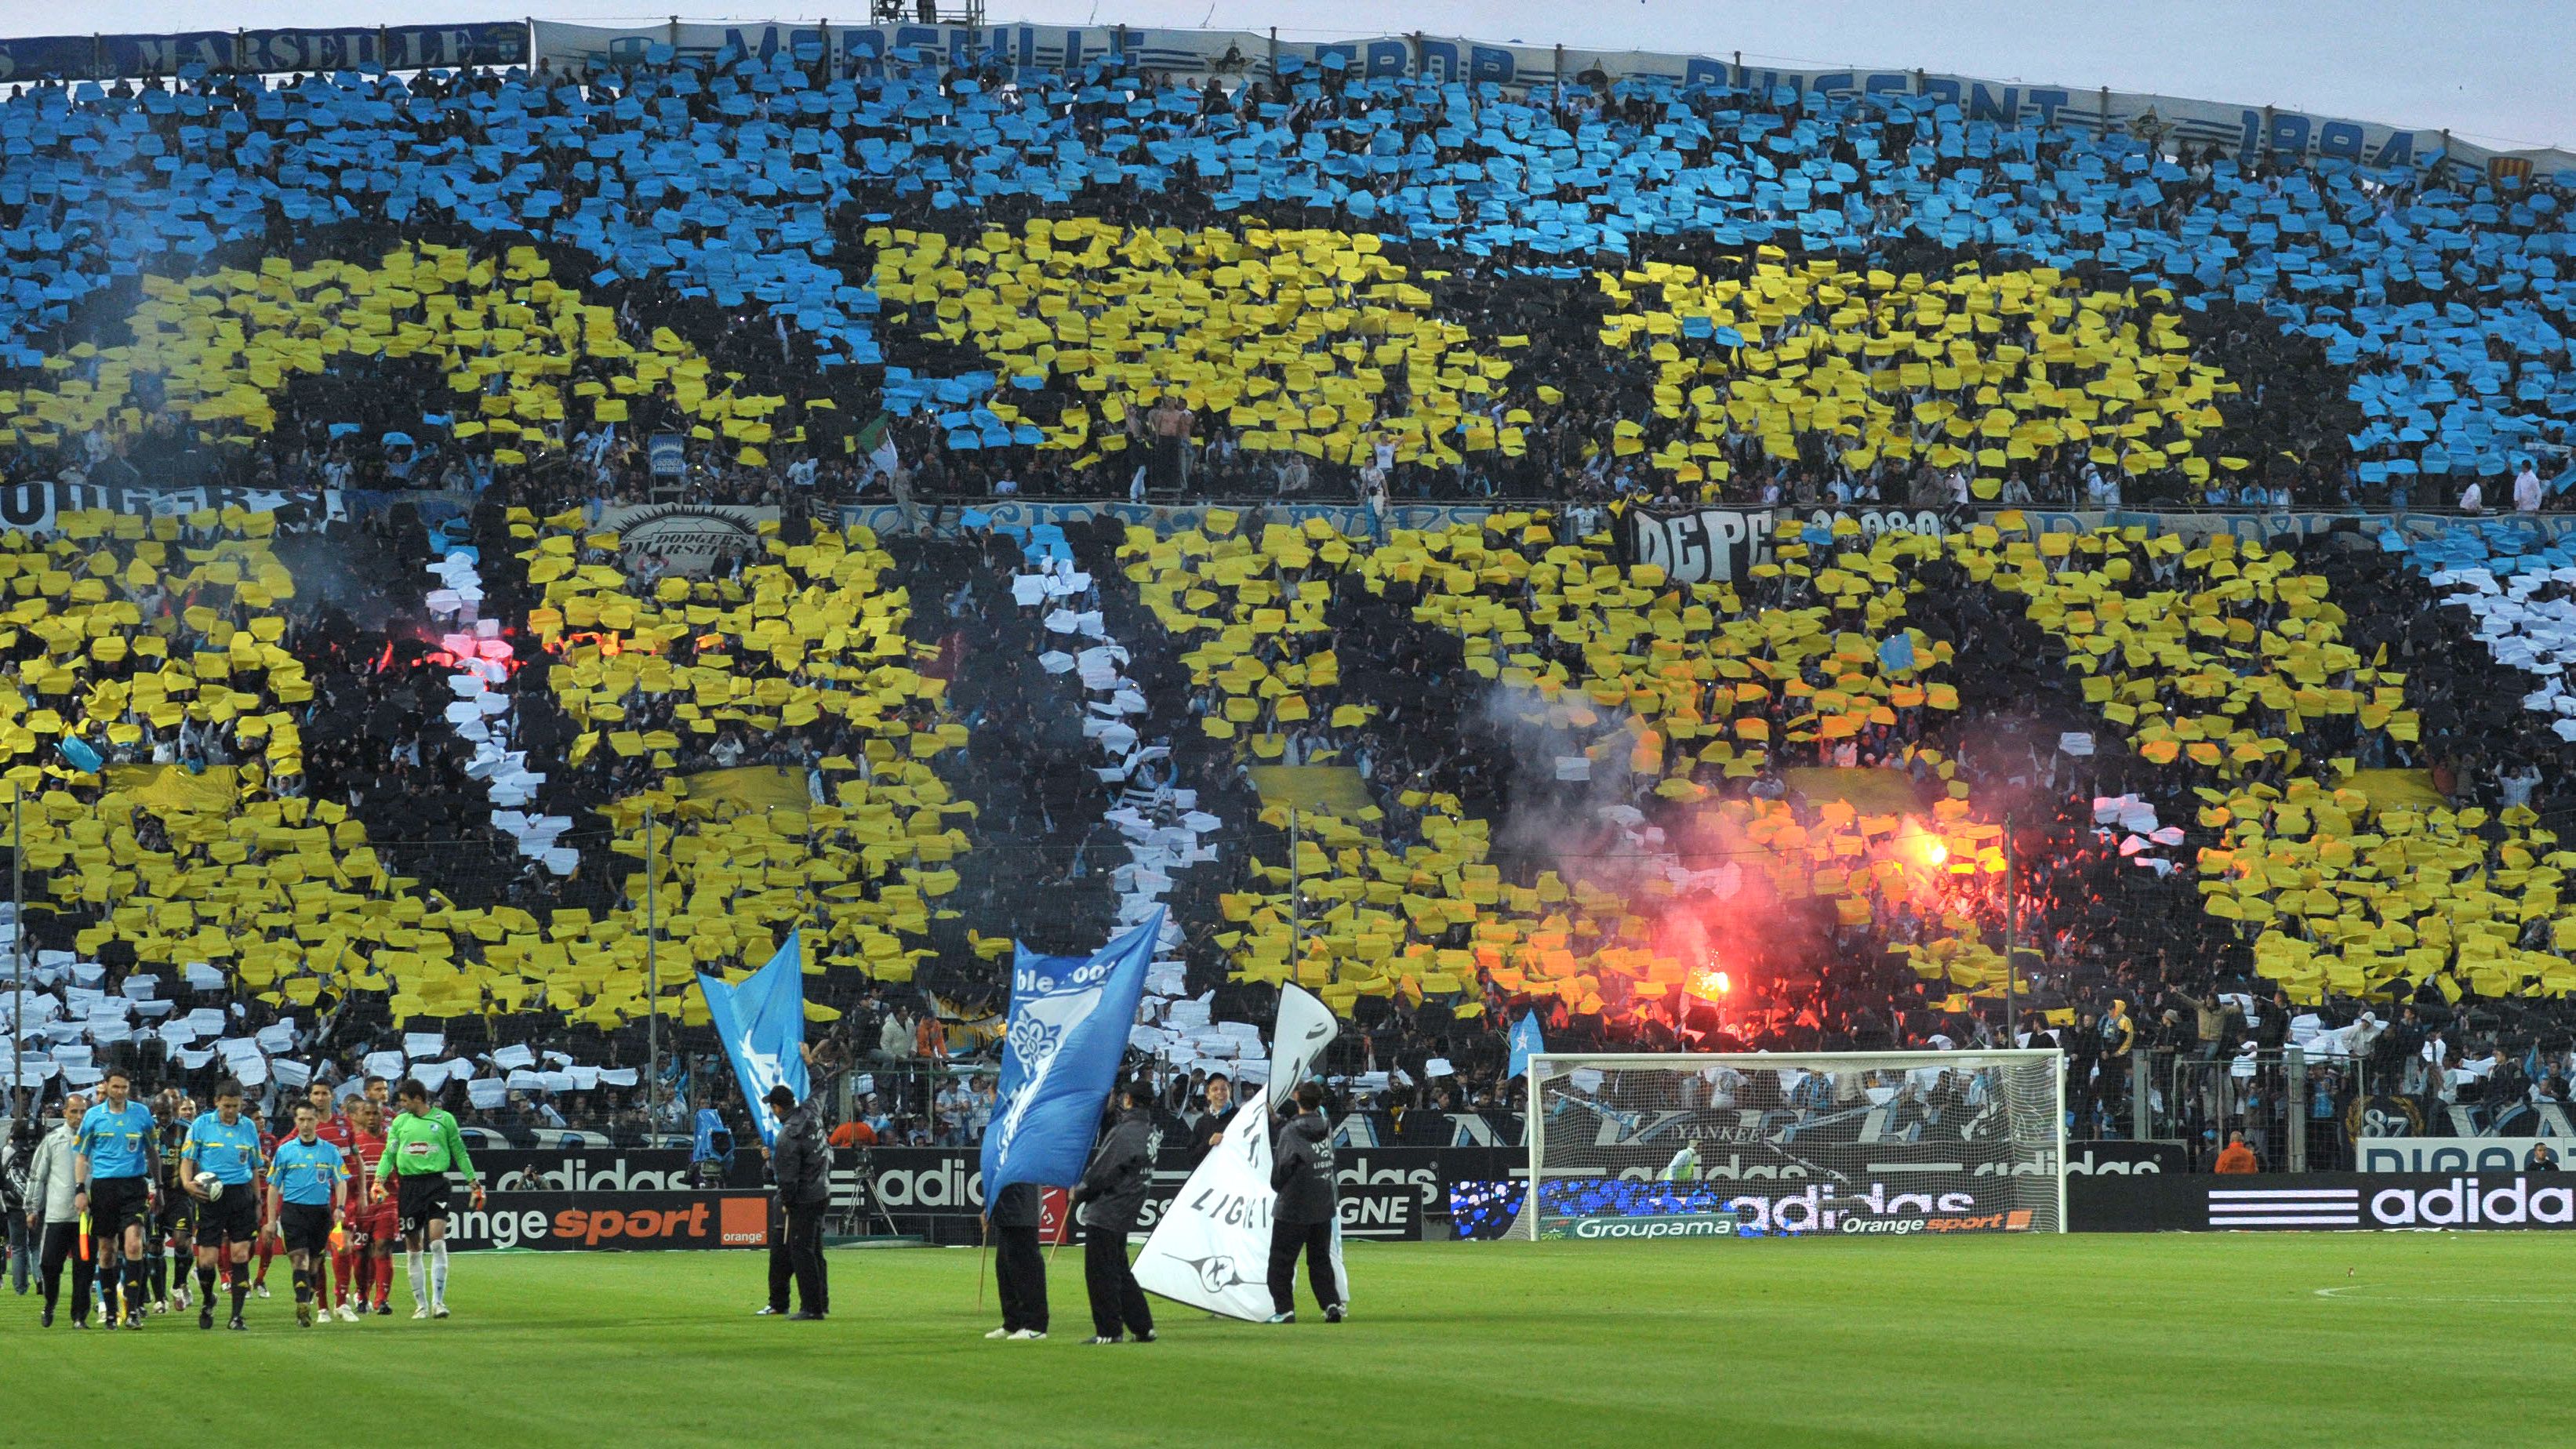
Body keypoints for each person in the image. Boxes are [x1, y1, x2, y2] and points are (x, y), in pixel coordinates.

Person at [372, 1077, 483, 1320]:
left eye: (404, 1101)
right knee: (414, 1247)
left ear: (418, 1099)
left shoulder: (445, 1120)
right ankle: (421, 1305)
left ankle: (438, 1303)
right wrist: (378, 1180)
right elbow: (389, 1154)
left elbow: (460, 1152)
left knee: (437, 1241)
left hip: (436, 1184)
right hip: (409, 1186)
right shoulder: (400, 1122)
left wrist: (474, 1184)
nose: (401, 1105)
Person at [73, 1066, 160, 1330]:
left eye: (124, 1087)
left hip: (134, 1186)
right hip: (104, 1189)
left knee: (133, 1246)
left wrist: (159, 1187)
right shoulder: (93, 1117)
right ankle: (111, 1312)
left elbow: (152, 1152)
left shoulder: (142, 1114)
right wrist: (80, 1189)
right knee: (107, 1251)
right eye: (116, 1087)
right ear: (106, 1086)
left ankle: (132, 1311)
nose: (120, 1092)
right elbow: (82, 1156)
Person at [1069, 1079, 1154, 1346]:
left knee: (1101, 1273)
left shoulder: (1125, 1132)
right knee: (1119, 1270)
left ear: (1128, 1100)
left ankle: (1109, 1330)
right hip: (1126, 1208)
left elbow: (1103, 1172)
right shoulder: (1149, 1131)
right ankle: (1142, 1326)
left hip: (1108, 1210)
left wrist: (1079, 1192)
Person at [180, 1079, 266, 1331]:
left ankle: (236, 1316)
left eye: (235, 1106)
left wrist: (257, 1200)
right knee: (207, 1261)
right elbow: (187, 1159)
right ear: (217, 1102)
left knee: (240, 1255)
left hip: (241, 1195)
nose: (231, 1111)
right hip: (210, 1197)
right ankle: (208, 1300)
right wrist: (187, 1183)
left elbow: (253, 1167)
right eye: (226, 1105)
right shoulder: (201, 1125)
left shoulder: (248, 1127)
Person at [1266, 1082, 1344, 1325]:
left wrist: (1277, 1187)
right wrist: (1277, 1121)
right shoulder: (1326, 1125)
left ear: (1296, 1097)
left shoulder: (1291, 1131)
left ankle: (1284, 1310)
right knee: (1320, 1260)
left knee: (1281, 1261)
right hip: (1322, 1203)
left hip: (1293, 1206)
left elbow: (1282, 1167)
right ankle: (1331, 1304)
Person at [266, 1103, 351, 1329]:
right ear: (295, 1121)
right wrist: (271, 1220)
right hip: (293, 1211)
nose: (305, 1124)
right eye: (301, 1120)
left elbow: (341, 1180)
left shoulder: (330, 1151)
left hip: (321, 1213)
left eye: (310, 1119)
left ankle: (306, 1298)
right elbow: (273, 1186)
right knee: (300, 1259)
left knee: (314, 1266)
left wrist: (340, 1207)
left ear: (317, 1121)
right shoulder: (285, 1151)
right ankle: (302, 1304)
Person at [762, 1083, 830, 1321]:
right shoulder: (811, 1111)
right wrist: (812, 1065)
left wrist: (787, 1202)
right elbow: (822, 1087)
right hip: (822, 1191)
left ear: (777, 1108)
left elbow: (788, 1178)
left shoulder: (787, 1136)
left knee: (802, 1252)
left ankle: (811, 1308)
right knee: (815, 1251)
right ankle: (821, 1303)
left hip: (804, 1198)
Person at [27, 1094, 91, 1327]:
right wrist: (32, 1208)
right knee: (49, 1265)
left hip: (86, 1219)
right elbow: (37, 1176)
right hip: (57, 1215)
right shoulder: (53, 1140)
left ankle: (79, 1317)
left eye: (83, 1112)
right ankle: (50, 1303)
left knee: (84, 1268)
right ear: (64, 1113)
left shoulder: (94, 1140)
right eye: (74, 1111)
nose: (79, 1116)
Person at [985, 1180, 1048, 1340]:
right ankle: (1013, 1323)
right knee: (1005, 1270)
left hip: (1022, 1210)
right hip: (1004, 1210)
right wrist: (987, 1205)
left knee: (1027, 1269)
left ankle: (1035, 1325)